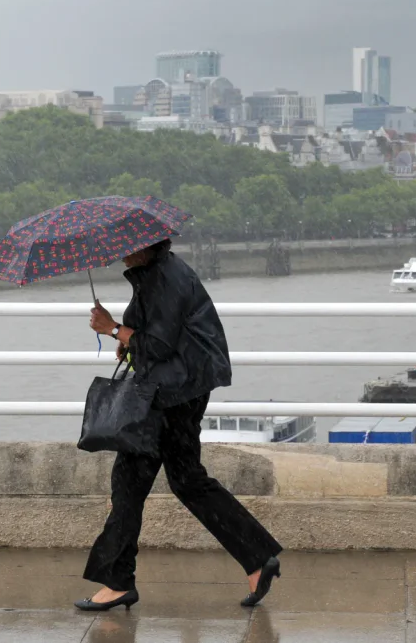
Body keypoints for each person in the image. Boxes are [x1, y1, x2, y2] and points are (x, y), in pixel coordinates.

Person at [78, 238, 282, 612]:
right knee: (186, 478)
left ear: (142, 247)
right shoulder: (162, 272)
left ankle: (117, 581)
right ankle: (257, 558)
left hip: (172, 395)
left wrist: (112, 329)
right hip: (181, 389)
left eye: (125, 246)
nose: (119, 252)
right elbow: (161, 335)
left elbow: (158, 345)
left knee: (129, 482)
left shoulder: (163, 279)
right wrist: (128, 339)